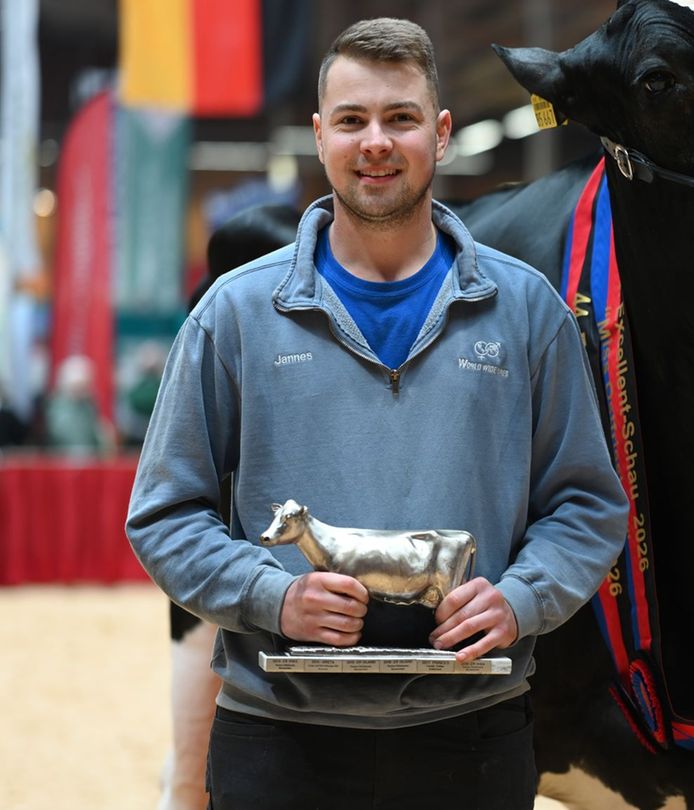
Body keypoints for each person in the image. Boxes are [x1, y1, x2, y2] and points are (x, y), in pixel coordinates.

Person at [127, 17, 627, 810]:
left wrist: (520, 597)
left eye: (400, 118)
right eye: (353, 120)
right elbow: (165, 514)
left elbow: (588, 505)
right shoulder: (235, 315)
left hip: (475, 735)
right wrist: (274, 595)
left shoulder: (528, 312)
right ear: (320, 135)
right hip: (276, 741)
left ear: (442, 132)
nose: (376, 142)